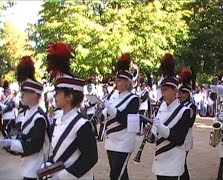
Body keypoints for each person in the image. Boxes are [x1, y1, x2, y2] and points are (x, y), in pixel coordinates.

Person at [46, 41, 98, 179]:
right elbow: (57, 151)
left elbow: (91, 158)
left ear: (69, 96)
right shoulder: (58, 120)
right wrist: (48, 164)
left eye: (58, 92)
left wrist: (63, 176)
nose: (54, 95)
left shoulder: (82, 125)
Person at [0, 56, 50, 180]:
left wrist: (12, 144)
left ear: (34, 94)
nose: (22, 95)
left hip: (36, 170)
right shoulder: (30, 113)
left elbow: (34, 146)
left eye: (25, 92)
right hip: (29, 167)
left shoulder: (39, 117)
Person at [149, 53, 191, 180]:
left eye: (166, 90)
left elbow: (179, 139)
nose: (163, 92)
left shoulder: (184, 111)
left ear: (175, 91)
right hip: (160, 162)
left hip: (174, 163)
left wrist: (159, 127)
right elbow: (155, 137)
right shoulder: (160, 108)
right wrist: (150, 134)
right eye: (162, 89)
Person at [101, 53, 139, 180]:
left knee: (116, 175)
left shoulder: (133, 99)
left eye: (119, 80)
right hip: (111, 141)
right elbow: (107, 117)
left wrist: (110, 108)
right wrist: (101, 112)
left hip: (124, 142)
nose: (116, 82)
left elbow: (125, 119)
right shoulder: (113, 96)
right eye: (116, 80)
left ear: (127, 83)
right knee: (119, 174)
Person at [178, 68, 197, 180]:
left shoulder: (191, 107)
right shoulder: (176, 104)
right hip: (177, 137)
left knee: (182, 164)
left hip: (185, 139)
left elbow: (190, 123)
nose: (181, 95)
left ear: (188, 94)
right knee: (180, 164)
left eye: (183, 93)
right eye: (180, 92)